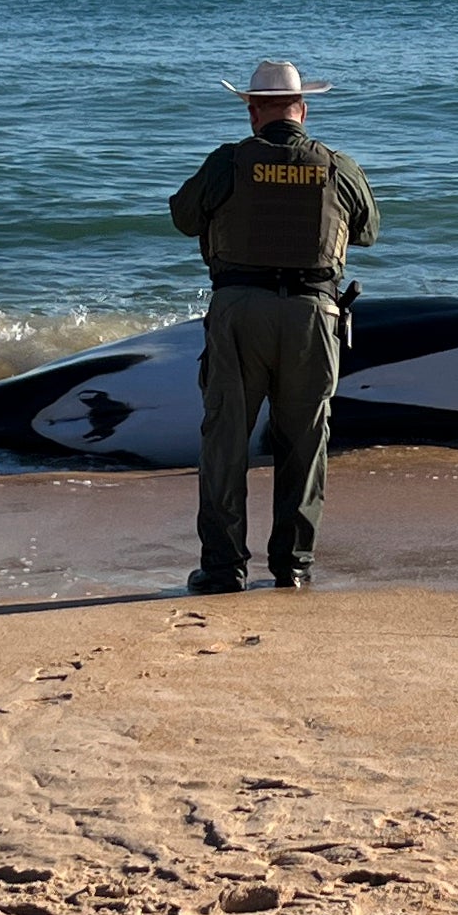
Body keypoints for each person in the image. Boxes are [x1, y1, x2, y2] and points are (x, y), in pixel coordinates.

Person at [167, 58, 379, 593]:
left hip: (240, 312)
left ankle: (224, 568)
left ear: (253, 112)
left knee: (226, 441)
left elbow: (183, 217)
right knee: (305, 444)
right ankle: (293, 566)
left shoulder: (228, 162)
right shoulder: (338, 166)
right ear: (303, 110)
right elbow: (368, 230)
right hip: (313, 315)